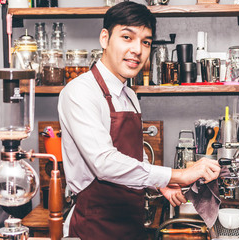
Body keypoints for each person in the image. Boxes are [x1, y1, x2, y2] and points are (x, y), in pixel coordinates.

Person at [58, 2, 221, 239]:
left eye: (145, 42)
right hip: (93, 225)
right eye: (127, 37)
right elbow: (104, 163)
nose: (137, 49)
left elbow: (135, 154)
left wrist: (159, 183)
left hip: (130, 222)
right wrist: (176, 175)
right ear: (105, 38)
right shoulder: (79, 92)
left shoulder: (130, 95)